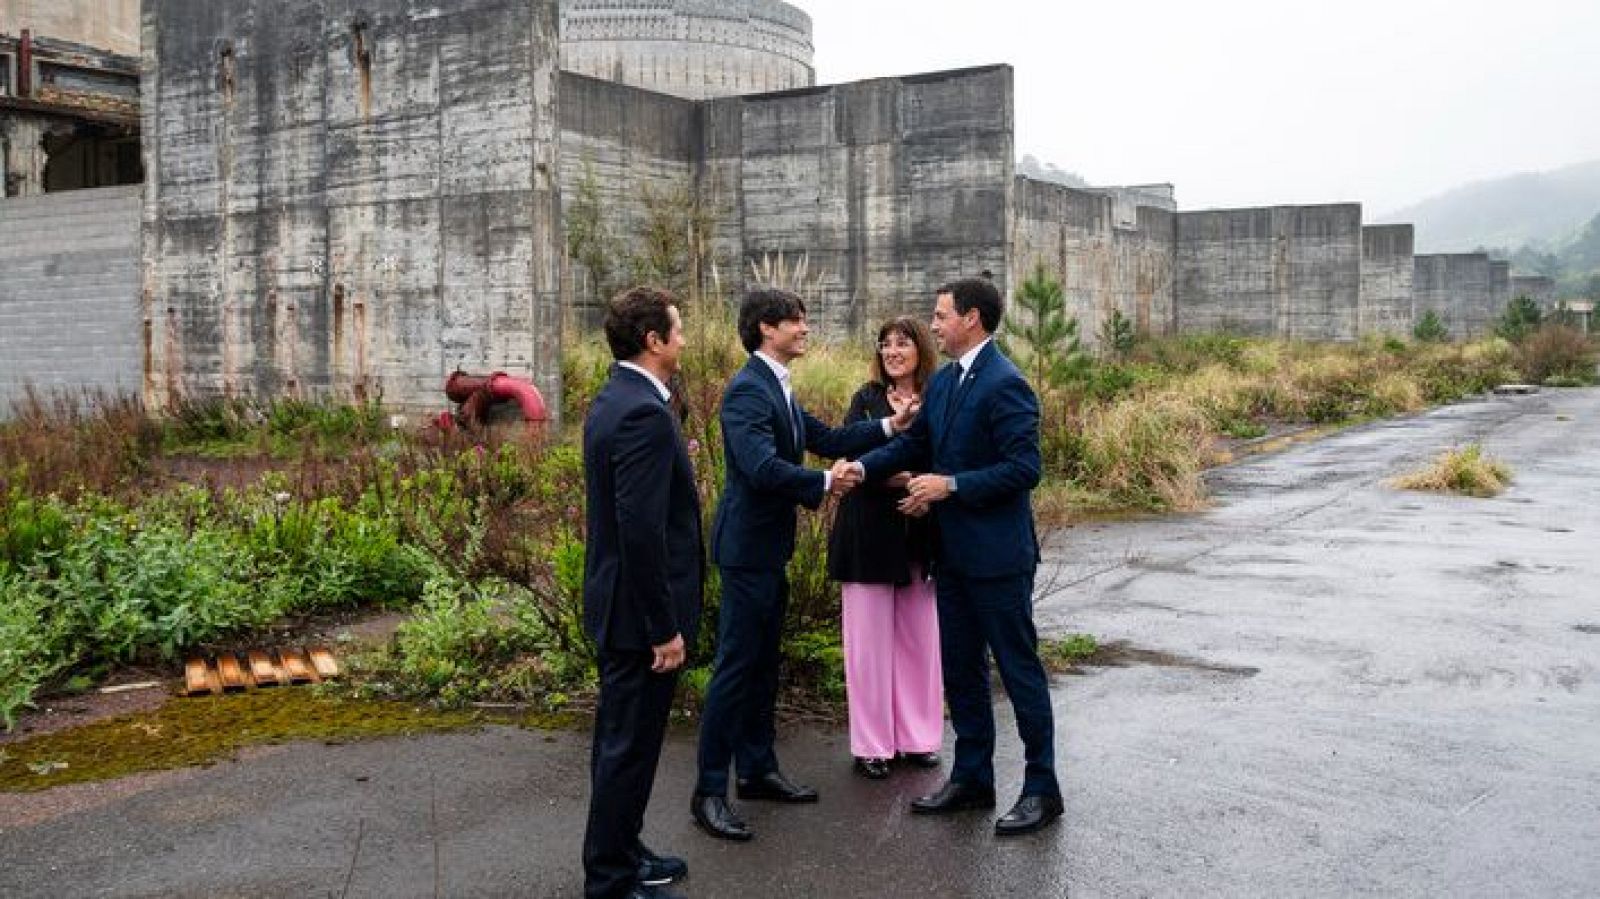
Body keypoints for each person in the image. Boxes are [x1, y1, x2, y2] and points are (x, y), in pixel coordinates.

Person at [691, 288, 919, 842]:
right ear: (767, 328)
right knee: (735, 669)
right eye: (798, 321)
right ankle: (708, 792)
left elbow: (828, 437)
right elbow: (760, 467)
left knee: (764, 663)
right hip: (745, 552)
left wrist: (890, 426)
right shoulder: (747, 389)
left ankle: (759, 769)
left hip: (770, 550)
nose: (806, 329)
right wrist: (825, 482)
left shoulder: (779, 387)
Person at [850, 276, 1064, 836]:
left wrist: (949, 486)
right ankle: (972, 778)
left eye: (941, 315)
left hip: (998, 559)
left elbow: (1025, 469)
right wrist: (862, 467)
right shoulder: (943, 385)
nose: (935, 324)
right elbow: (914, 447)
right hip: (951, 557)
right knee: (962, 673)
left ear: (971, 319)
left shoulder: (1007, 384)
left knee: (1018, 672)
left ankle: (1042, 787)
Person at [581, 287, 704, 899]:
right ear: (653, 340)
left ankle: (623, 853)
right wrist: (663, 627)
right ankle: (610, 881)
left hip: (619, 607)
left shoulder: (620, 397)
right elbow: (640, 530)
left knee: (620, 745)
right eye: (677, 329)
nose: (683, 338)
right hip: (639, 620)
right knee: (627, 750)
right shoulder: (643, 412)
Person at [826, 316, 944, 780]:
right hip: (868, 535)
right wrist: (899, 476)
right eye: (885, 344)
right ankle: (873, 745)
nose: (893, 351)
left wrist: (912, 479)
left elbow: (943, 456)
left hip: (918, 529)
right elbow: (853, 461)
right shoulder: (867, 399)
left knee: (919, 640)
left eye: (903, 343)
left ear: (920, 350)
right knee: (868, 646)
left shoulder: (938, 396)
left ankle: (917, 739)